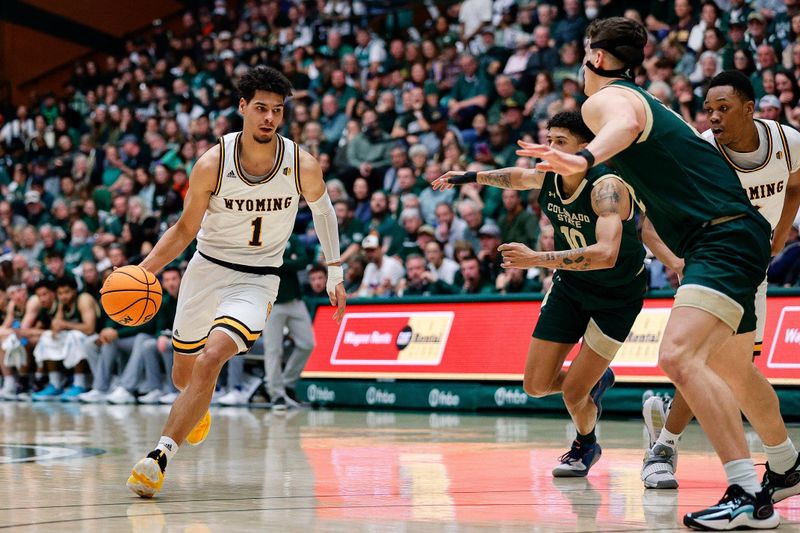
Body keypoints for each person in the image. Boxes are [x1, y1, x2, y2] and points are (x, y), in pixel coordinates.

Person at [514, 18, 796, 529]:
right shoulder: (642, 102)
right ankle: (786, 463)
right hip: (732, 234)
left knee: (678, 354)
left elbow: (617, 127)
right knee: (733, 370)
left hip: (720, 235)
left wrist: (582, 154)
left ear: (595, 58)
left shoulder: (605, 101)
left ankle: (747, 495)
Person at [127, 66, 345, 498]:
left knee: (211, 360)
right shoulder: (212, 163)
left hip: (260, 278)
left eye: (277, 111)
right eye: (261, 108)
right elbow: (185, 228)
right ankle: (195, 407)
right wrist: (143, 269)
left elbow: (324, 212)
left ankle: (158, 457)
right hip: (206, 268)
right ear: (242, 108)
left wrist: (335, 271)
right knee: (183, 375)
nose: (268, 118)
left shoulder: (300, 163)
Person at [433, 110, 647, 479]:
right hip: (571, 288)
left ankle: (585, 444)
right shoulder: (549, 174)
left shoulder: (606, 187)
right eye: (549, 141)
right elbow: (518, 177)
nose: (550, 149)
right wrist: (469, 176)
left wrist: (537, 259)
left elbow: (606, 253)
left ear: (587, 148)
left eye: (560, 143)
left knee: (572, 393)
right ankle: (595, 383)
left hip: (617, 296)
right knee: (535, 386)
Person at [640, 71, 800, 493]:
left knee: (732, 371)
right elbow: (649, 228)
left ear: (750, 109)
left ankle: (780, 466)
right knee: (705, 364)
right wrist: (682, 263)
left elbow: (796, 183)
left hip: (753, 269)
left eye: (723, 108)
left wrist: (781, 232)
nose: (712, 117)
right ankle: (667, 447)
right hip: (712, 267)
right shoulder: (701, 151)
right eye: (708, 109)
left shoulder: (787, 141)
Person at [262, 233, 315, 410]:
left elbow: (303, 261)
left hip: (294, 300)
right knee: (273, 350)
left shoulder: (292, 237)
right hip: (271, 302)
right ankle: (276, 395)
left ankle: (287, 384)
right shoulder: (263, 236)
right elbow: (264, 264)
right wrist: (289, 261)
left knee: (308, 343)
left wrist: (280, 262)